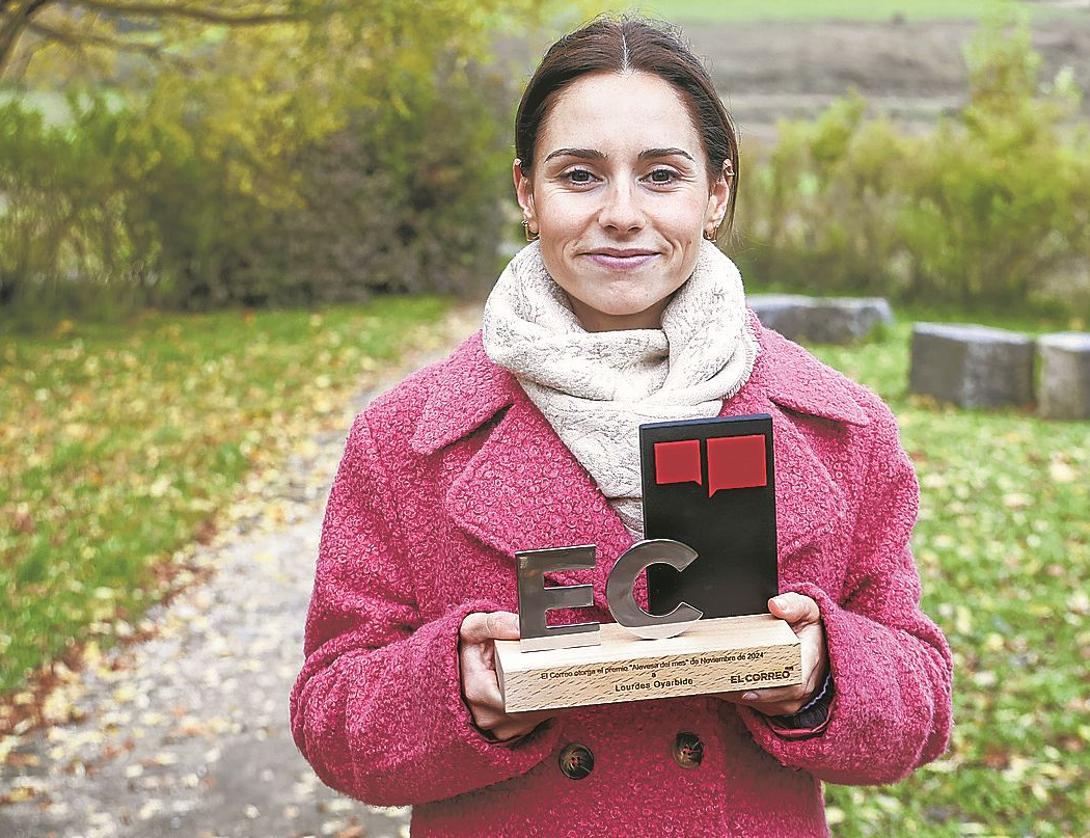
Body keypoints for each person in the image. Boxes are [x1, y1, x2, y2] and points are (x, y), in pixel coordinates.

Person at [290, 15, 952, 837]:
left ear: (715, 193)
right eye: (579, 175)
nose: (622, 214)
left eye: (662, 174)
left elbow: (921, 701)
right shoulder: (404, 441)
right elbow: (329, 718)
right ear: (527, 194)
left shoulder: (841, 429)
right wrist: (455, 692)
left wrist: (821, 676)